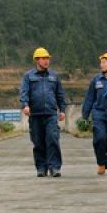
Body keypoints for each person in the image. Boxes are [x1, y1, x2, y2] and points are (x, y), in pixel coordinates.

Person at [19, 46, 67, 177]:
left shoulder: (54, 76)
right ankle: (41, 167)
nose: (47, 61)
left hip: (51, 114)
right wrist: (25, 105)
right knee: (38, 142)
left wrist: (62, 110)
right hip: (35, 115)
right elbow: (24, 93)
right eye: (44, 58)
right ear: (37, 60)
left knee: (52, 139)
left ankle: (55, 167)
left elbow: (60, 94)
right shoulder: (28, 76)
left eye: (48, 58)